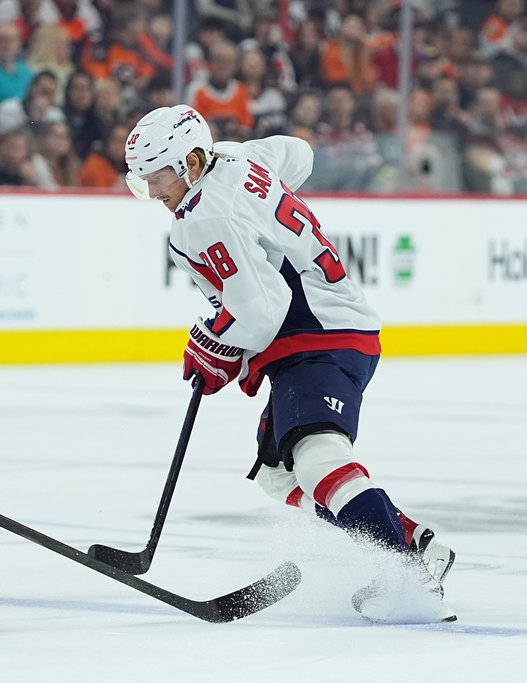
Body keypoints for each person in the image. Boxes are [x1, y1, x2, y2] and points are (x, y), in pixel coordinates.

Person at [123, 105, 457, 624]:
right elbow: (297, 154)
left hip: (316, 335)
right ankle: (414, 545)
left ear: (190, 162)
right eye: (141, 181)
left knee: (319, 457)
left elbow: (261, 310)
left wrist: (212, 343)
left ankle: (403, 578)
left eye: (158, 177)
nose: (154, 191)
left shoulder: (203, 218)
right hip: (327, 329)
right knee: (278, 475)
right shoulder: (235, 158)